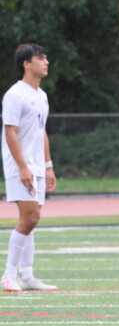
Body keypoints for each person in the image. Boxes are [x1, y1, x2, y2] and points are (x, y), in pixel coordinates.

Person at [2, 44, 57, 292]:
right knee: (30, 217)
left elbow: (41, 130)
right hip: (19, 166)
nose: (46, 62)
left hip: (36, 167)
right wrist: (23, 167)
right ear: (27, 63)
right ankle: (8, 274)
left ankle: (27, 275)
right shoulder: (15, 94)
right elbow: (10, 132)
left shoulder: (41, 95)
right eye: (41, 58)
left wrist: (48, 166)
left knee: (32, 219)